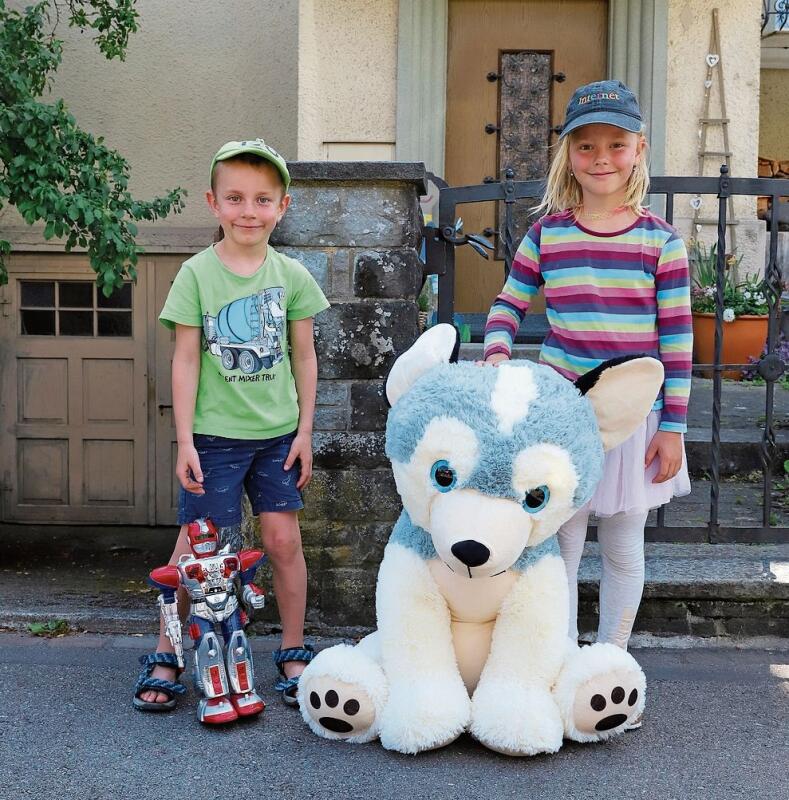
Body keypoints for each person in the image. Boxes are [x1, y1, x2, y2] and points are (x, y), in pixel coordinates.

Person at [483, 81, 692, 655]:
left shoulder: (661, 243)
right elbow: (507, 306)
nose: (601, 158)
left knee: (625, 548)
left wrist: (673, 425)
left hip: (633, 420)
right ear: (568, 155)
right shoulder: (547, 235)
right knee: (560, 546)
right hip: (564, 416)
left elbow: (677, 340)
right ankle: (560, 660)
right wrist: (497, 349)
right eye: (586, 146)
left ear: (639, 150)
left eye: (616, 145)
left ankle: (610, 663)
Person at [133, 139, 329, 711]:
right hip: (215, 441)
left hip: (277, 439)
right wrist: (186, 441)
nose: (249, 211)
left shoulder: (291, 275)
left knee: (282, 541)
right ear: (213, 203)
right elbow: (186, 359)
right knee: (198, 553)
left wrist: (305, 432)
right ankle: (167, 651)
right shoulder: (196, 275)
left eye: (262, 200)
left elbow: (305, 357)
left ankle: (293, 649)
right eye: (236, 198)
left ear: (283, 206)